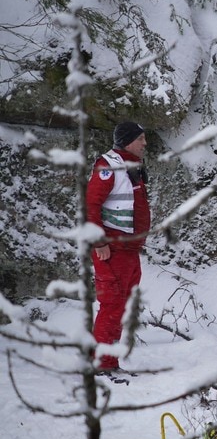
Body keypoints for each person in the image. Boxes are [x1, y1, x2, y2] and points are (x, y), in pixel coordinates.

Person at [87, 121, 151, 374]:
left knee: (122, 306)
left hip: (128, 251)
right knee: (113, 305)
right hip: (111, 249)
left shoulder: (130, 166)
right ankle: (102, 365)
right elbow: (90, 206)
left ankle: (108, 360)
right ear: (127, 141)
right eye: (141, 139)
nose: (145, 143)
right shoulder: (108, 166)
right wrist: (99, 241)